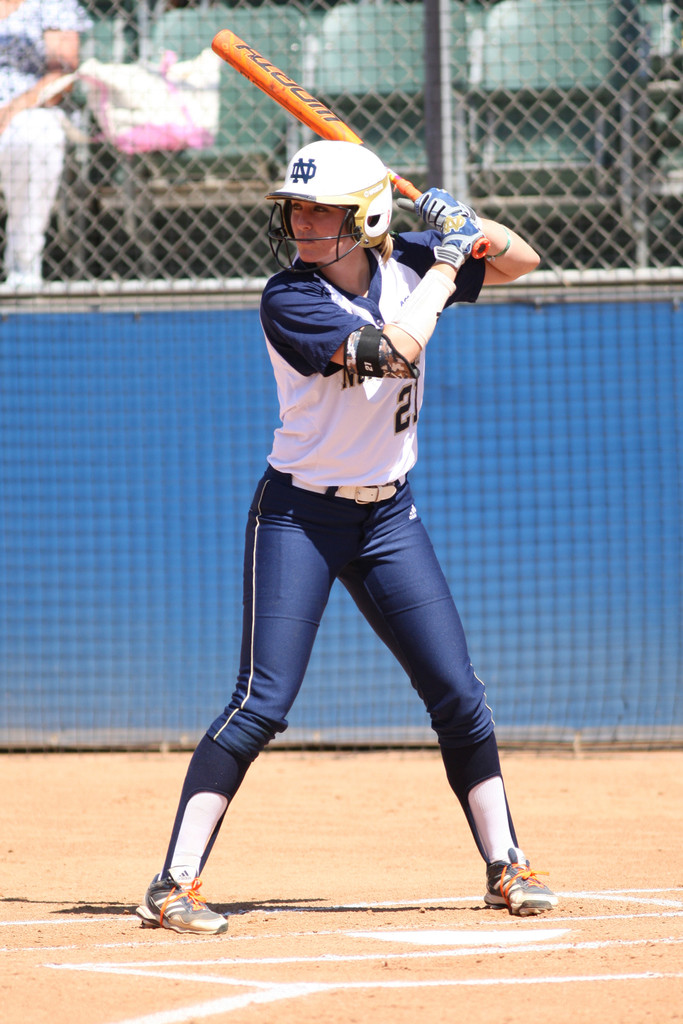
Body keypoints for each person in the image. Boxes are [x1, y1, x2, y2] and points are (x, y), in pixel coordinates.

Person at [136, 139, 558, 936]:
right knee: (261, 703)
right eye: (296, 208)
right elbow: (393, 353)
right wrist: (446, 262)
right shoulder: (288, 298)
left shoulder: (404, 260)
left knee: (459, 697)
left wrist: (468, 226)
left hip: (388, 517)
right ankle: (172, 883)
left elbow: (521, 260)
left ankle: (506, 864)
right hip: (301, 514)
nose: (302, 223)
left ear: (363, 216)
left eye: (321, 211)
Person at [0, 0, 91, 289]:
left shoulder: (51, 3)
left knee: (36, 134)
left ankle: (23, 269)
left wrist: (10, 112)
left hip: (24, 111)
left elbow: (62, 74)